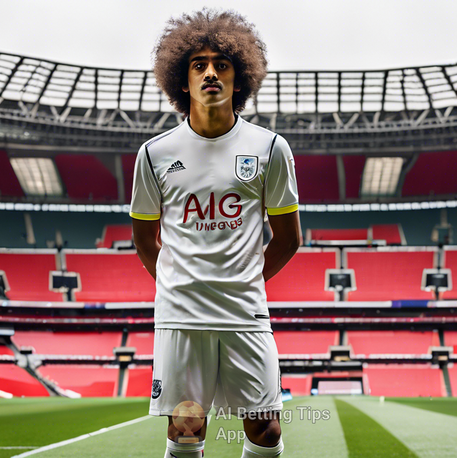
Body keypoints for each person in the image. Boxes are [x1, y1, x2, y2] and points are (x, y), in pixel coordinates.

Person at [130, 8, 301, 458]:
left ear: (238, 79)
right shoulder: (154, 154)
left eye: (221, 64)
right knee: (186, 433)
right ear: (182, 81)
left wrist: (244, 282)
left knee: (267, 432)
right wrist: (175, 284)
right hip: (181, 317)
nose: (210, 72)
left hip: (245, 313)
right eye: (198, 65)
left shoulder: (269, 148)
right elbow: (144, 239)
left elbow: (288, 239)